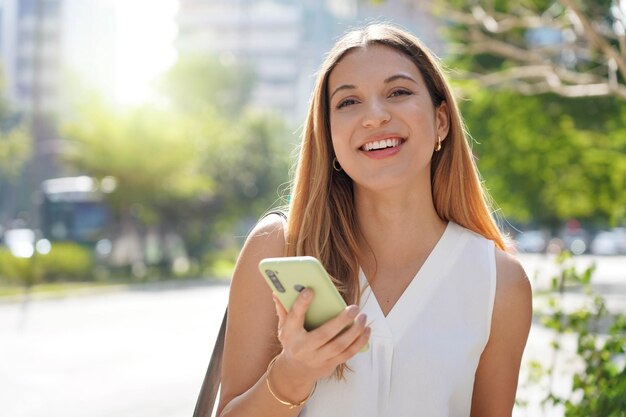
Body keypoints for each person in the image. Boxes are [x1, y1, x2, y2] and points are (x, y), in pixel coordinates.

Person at [216, 23, 532, 417]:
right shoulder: (279, 248)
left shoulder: (499, 284)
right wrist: (293, 373)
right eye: (349, 102)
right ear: (329, 137)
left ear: (441, 122)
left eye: (398, 92)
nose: (375, 116)